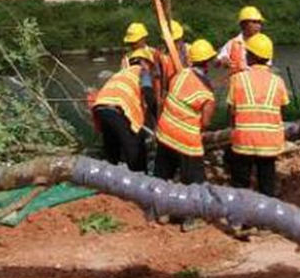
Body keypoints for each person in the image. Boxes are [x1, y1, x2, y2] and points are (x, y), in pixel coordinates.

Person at [227, 32, 288, 196]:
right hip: (270, 141)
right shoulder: (278, 81)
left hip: (244, 139)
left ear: (251, 56)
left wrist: (234, 132)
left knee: (240, 182)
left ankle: (239, 219)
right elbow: (282, 111)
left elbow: (232, 112)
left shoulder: (238, 79)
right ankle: (265, 218)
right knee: (267, 180)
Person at [154, 39, 218, 188]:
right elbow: (206, 122)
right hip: (186, 140)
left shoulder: (179, 75)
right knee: (196, 184)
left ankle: (154, 206)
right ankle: (194, 209)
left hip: (164, 132)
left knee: (161, 178)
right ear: (207, 63)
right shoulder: (207, 93)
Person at [92, 48, 157, 172]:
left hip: (101, 108)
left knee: (112, 148)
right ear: (145, 62)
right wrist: (157, 120)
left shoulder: (121, 73)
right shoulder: (142, 72)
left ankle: (110, 179)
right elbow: (148, 94)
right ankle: (139, 179)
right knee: (135, 146)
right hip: (118, 109)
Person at [217, 6, 264, 74]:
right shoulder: (232, 43)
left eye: (259, 22)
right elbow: (217, 62)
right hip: (238, 83)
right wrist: (223, 61)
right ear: (243, 24)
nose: (258, 26)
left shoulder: (264, 44)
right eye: (254, 22)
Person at [156, 19, 190, 99]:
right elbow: (158, 78)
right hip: (168, 92)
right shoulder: (161, 55)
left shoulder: (189, 50)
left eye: (176, 41)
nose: (174, 44)